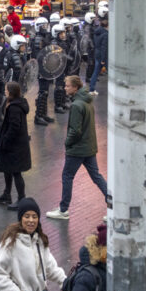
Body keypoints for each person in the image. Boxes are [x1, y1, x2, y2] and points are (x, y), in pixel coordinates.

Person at [47, 76, 109, 220]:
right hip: (89, 147)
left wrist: (68, 143)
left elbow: (75, 130)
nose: (65, 88)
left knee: (67, 176)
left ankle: (63, 210)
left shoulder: (76, 105)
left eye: (67, 86)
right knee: (97, 177)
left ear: (75, 87)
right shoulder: (87, 102)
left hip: (77, 149)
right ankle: (113, 205)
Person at [0, 81, 31, 209]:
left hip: (14, 146)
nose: (4, 91)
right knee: (7, 169)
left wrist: (6, 140)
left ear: (11, 92)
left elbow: (15, 126)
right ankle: (7, 194)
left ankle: (21, 198)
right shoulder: (17, 104)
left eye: (6, 89)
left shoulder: (15, 108)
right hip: (14, 144)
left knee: (16, 172)